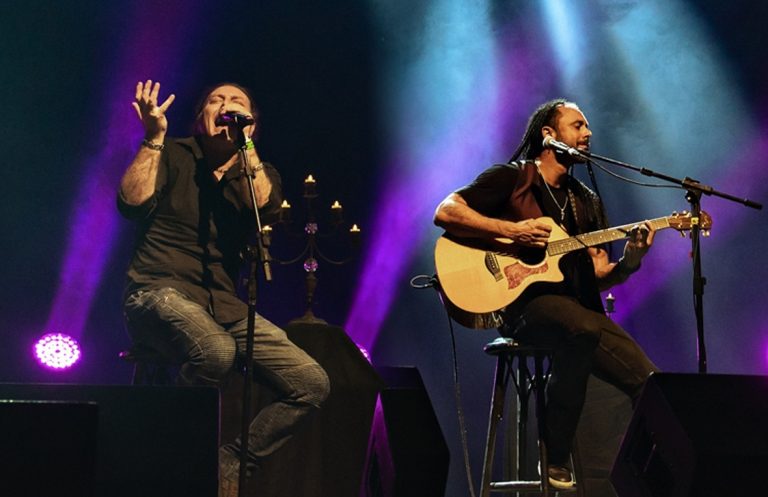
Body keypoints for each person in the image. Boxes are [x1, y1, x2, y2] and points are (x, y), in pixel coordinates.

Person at [118, 80, 330, 497]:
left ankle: (230, 461)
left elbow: (266, 206)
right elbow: (132, 202)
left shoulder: (255, 172)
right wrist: (154, 137)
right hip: (156, 289)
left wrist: (247, 148)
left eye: (237, 103)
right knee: (216, 351)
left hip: (222, 305)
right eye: (216, 100)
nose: (226, 106)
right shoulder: (173, 152)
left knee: (312, 382)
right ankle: (168, 448)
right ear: (201, 119)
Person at [433, 99, 658, 489]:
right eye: (577, 125)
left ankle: (650, 477)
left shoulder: (585, 200)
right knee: (583, 329)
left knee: (650, 381)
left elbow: (599, 276)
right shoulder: (513, 178)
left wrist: (631, 262)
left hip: (577, 314)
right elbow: (446, 211)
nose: (588, 134)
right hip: (522, 307)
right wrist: (514, 232)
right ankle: (555, 456)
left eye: (588, 127)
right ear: (548, 135)